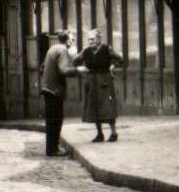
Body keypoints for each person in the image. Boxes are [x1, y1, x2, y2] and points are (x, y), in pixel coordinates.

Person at [80, 25, 123, 142]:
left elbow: (120, 60)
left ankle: (114, 133)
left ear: (99, 39)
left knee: (108, 109)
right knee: (94, 109)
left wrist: (112, 66)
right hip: (92, 83)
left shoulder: (106, 49)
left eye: (93, 39)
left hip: (104, 82)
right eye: (89, 39)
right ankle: (100, 134)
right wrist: (82, 68)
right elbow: (75, 60)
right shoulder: (86, 51)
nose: (90, 42)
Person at [40, 28, 76, 158]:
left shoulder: (53, 48)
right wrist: (78, 70)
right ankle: (53, 149)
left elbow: (42, 67)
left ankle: (51, 147)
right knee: (56, 120)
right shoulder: (62, 50)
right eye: (72, 39)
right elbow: (64, 70)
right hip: (55, 91)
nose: (73, 41)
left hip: (48, 90)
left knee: (51, 121)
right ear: (67, 40)